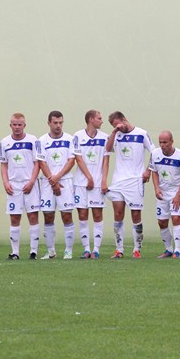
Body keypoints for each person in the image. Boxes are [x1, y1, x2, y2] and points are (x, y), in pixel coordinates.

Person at [105, 111, 154, 259]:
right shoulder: (116, 135)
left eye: (118, 124)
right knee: (118, 214)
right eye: (114, 126)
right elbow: (107, 149)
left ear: (124, 119)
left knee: (135, 214)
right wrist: (114, 131)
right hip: (118, 180)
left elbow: (155, 152)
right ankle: (119, 249)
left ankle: (137, 249)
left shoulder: (141, 133)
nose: (118, 127)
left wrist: (148, 170)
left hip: (135, 180)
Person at [0, 113, 45, 260]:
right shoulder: (4, 142)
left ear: (24, 125)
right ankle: (15, 253)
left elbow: (38, 162)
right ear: (10, 125)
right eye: (14, 124)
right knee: (14, 218)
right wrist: (6, 182)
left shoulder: (33, 140)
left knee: (32, 216)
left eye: (20, 125)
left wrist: (32, 181)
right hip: (13, 185)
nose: (17, 127)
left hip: (30, 184)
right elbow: (4, 164)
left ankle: (33, 252)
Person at [72, 110, 111, 259]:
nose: (102, 121)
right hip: (81, 183)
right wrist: (88, 177)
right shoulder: (77, 136)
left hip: (98, 183)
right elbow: (78, 159)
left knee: (97, 214)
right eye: (99, 118)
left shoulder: (105, 137)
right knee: (82, 214)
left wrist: (104, 180)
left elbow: (106, 160)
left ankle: (96, 250)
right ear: (90, 119)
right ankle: (86, 249)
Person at [38, 110, 77, 259]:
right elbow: (42, 162)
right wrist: (52, 180)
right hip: (48, 183)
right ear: (48, 123)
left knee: (67, 216)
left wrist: (58, 177)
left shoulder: (70, 139)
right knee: (48, 216)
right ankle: (51, 251)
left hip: (65, 181)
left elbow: (71, 160)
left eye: (60, 123)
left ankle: (68, 250)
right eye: (55, 123)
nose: (58, 126)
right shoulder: (41, 141)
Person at [149, 131, 180, 258]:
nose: (162, 145)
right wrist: (156, 188)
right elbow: (154, 171)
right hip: (162, 192)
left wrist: (178, 195)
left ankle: (177, 250)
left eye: (165, 142)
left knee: (176, 218)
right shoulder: (155, 153)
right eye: (160, 142)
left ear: (172, 141)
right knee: (162, 222)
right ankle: (168, 249)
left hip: (175, 192)